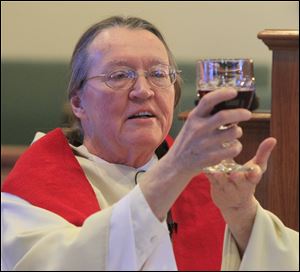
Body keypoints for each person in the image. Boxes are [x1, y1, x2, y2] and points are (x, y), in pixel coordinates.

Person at [1, 16, 298, 271]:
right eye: (119, 75)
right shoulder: (33, 189)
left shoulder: (208, 182)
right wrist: (175, 168)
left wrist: (242, 216)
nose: (143, 91)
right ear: (78, 102)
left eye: (158, 74)